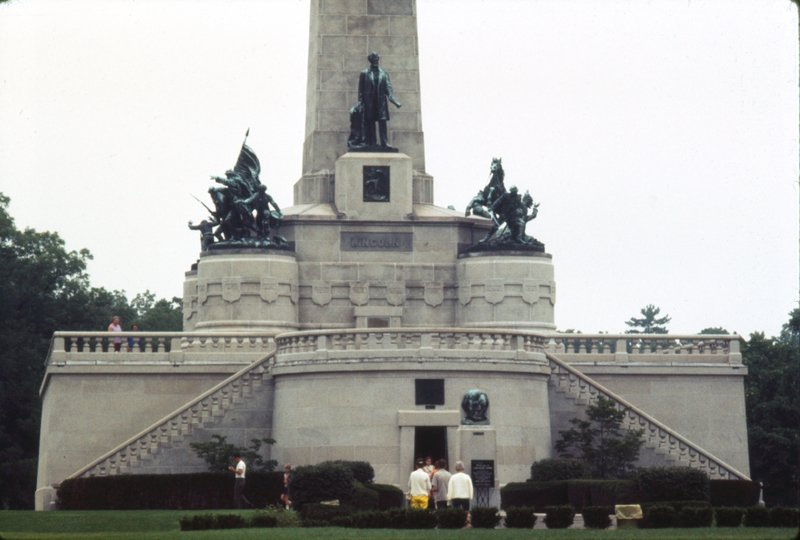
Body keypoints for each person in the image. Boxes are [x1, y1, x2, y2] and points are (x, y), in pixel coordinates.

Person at [357, 51, 402, 148]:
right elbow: (360, 90)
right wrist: (360, 103)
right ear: (370, 60)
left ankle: (384, 141)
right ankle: (372, 142)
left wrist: (394, 100)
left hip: (381, 101)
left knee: (382, 121)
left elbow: (388, 87)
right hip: (369, 102)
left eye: (377, 58)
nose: (375, 60)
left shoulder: (384, 73)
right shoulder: (364, 73)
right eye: (373, 58)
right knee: (371, 121)